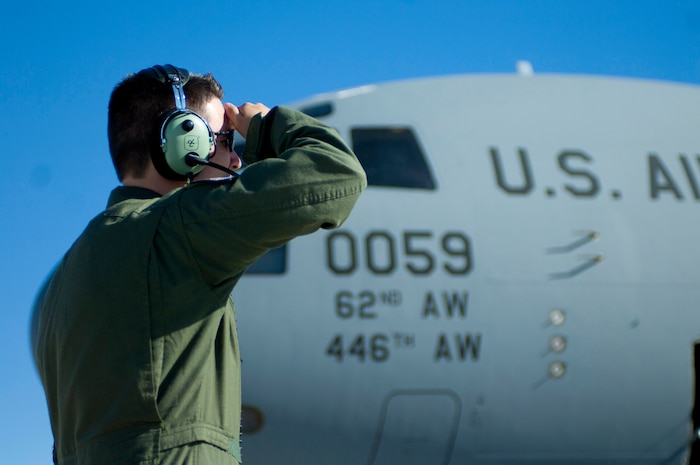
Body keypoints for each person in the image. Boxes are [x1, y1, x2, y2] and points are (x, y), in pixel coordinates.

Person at [31, 64, 367, 464]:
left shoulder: (61, 283)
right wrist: (265, 126)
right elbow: (338, 173)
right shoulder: (179, 230)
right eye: (224, 140)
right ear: (180, 144)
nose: (236, 160)